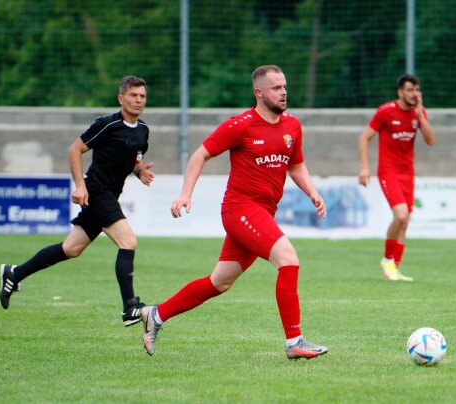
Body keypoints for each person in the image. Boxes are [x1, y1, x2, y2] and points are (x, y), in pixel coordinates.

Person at [140, 65, 328, 361]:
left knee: (220, 282)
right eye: (277, 88)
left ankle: (156, 315)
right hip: (240, 210)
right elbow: (200, 155)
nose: (283, 93)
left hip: (263, 213)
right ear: (259, 92)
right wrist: (186, 194)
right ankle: (294, 341)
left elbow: (295, 165)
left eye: (285, 87)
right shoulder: (240, 125)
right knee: (288, 259)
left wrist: (313, 192)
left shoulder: (292, 125)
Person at [0, 76, 155, 327]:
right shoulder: (107, 124)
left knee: (71, 249)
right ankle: (129, 309)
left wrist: (140, 172)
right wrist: (80, 186)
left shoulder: (143, 130)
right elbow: (75, 150)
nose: (138, 100)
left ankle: (14, 273)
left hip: (110, 194)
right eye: (133, 95)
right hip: (96, 190)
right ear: (121, 98)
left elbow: (133, 159)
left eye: (142, 96)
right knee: (128, 241)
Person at [357, 74, 437, 281]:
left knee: (404, 221)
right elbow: (365, 138)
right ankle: (387, 260)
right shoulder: (385, 111)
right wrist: (365, 168)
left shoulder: (418, 113)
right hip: (388, 170)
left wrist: (420, 116)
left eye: (417, 90)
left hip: (407, 172)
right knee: (401, 215)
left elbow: (431, 140)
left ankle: (394, 267)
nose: (415, 94)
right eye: (410, 90)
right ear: (400, 92)